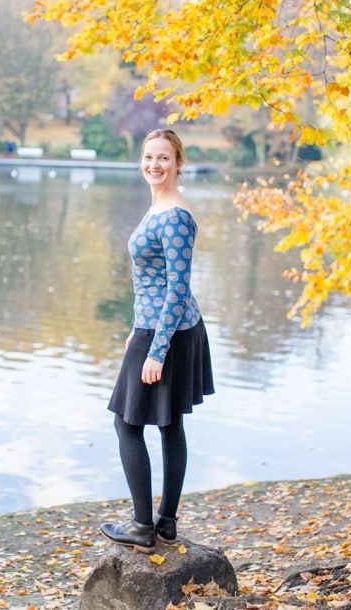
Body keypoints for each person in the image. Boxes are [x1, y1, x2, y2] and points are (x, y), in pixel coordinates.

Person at [100, 128, 215, 554]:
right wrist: (136, 326)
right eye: (149, 157)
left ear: (178, 163)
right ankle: (164, 525)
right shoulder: (158, 207)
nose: (154, 165)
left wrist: (157, 350)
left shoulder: (177, 217)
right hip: (153, 326)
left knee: (126, 423)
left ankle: (142, 526)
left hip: (168, 332)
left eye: (164, 158)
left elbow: (177, 289)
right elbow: (149, 280)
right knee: (168, 424)